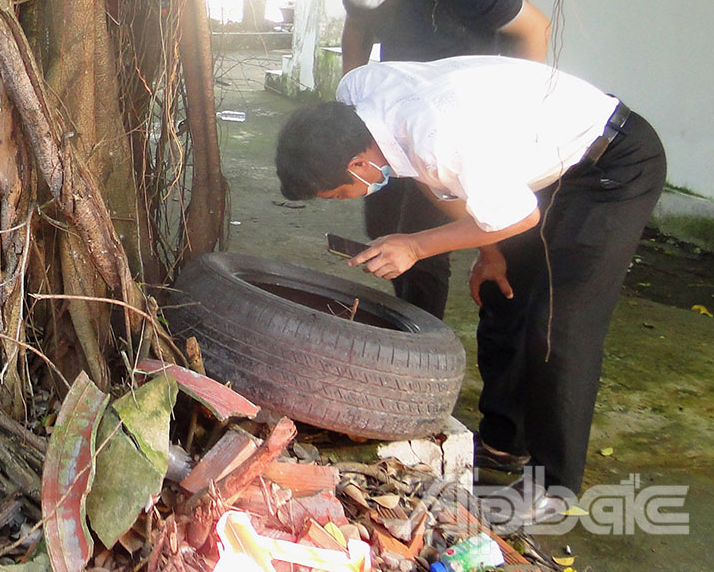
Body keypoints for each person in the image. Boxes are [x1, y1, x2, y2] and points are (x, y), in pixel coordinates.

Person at [274, 56, 665, 524]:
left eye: (339, 194)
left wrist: (417, 245)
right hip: (536, 165)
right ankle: (505, 443)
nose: (344, 202)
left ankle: (554, 485)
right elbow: (425, 172)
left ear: (359, 164)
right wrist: (490, 251)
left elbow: (518, 215)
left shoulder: (443, 138)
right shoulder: (357, 92)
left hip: (612, 162)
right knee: (503, 292)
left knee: (558, 323)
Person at [316, 0, 552, 320]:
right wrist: (351, 99)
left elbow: (535, 28)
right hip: (393, 119)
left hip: (454, 128)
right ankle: (408, 311)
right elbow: (357, 27)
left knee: (420, 240)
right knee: (383, 224)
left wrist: (518, 116)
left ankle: (417, 347)